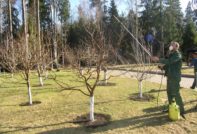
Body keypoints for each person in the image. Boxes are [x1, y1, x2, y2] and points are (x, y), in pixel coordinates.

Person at [151, 41, 185, 118]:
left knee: (175, 93)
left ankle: (181, 110)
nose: (170, 46)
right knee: (169, 93)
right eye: (170, 45)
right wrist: (161, 67)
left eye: (172, 45)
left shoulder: (177, 55)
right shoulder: (171, 55)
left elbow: (169, 61)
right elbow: (168, 65)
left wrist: (158, 59)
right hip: (169, 76)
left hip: (175, 77)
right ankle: (171, 108)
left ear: (176, 47)